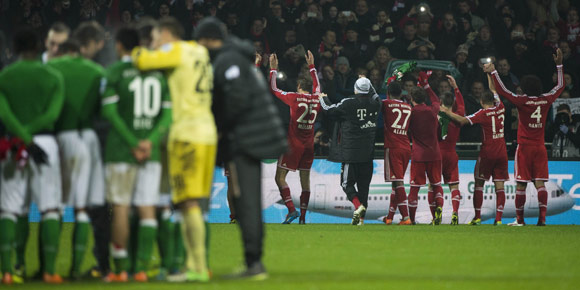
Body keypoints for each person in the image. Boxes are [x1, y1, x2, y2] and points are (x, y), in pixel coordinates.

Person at [195, 17, 286, 279]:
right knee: (244, 198)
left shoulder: (228, 60)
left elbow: (234, 100)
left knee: (246, 199)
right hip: (253, 134)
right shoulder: (235, 56)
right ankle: (253, 261)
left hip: (248, 136)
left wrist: (220, 128)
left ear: (208, 39)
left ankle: (254, 263)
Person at [132, 16, 216, 282]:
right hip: (207, 133)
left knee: (186, 201)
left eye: (157, 38)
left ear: (166, 34)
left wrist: (137, 48)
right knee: (196, 203)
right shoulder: (200, 51)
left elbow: (142, 60)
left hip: (186, 135)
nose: (155, 44)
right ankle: (195, 265)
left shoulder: (175, 50)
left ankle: (196, 268)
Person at [101, 27, 172, 282]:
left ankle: (120, 269)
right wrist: (149, 142)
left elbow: (109, 113)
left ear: (119, 45)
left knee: (120, 207)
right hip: (150, 153)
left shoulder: (115, 72)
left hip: (122, 150)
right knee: (146, 208)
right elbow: (167, 115)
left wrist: (132, 142)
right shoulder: (157, 74)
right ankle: (141, 269)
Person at [0, 27, 65, 284]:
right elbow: (52, 115)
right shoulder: (52, 76)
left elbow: (4, 114)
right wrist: (33, 140)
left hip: (12, 145)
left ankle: (8, 271)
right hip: (45, 145)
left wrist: (22, 137)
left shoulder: (5, 76)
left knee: (9, 209)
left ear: (14, 49)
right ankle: (50, 271)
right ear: (38, 47)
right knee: (49, 208)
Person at [46, 38, 104, 279]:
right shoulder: (97, 71)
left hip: (61, 137)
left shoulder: (53, 69)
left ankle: (46, 268)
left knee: (55, 206)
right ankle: (75, 268)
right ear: (80, 49)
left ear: (62, 51)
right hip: (89, 138)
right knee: (82, 208)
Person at [487, 48, 564, 226]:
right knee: (540, 184)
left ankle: (520, 220)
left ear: (525, 88)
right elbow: (560, 87)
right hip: (540, 147)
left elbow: (503, 91)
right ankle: (542, 219)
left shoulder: (522, 101)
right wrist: (559, 65)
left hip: (524, 148)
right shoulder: (546, 100)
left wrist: (493, 72)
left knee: (521, 185)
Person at [441, 75, 508, 226]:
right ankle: (498, 219)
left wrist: (446, 112)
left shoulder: (482, 114)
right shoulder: (501, 107)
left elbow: (463, 120)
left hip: (488, 152)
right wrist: (489, 75)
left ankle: (477, 217)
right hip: (502, 152)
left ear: (481, 102)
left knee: (479, 183)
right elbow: (493, 90)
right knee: (500, 185)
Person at [71, 20, 110, 278]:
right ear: (95, 43)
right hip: (98, 141)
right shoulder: (100, 72)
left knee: (78, 206)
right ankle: (106, 264)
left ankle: (69, 268)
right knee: (100, 206)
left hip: (66, 140)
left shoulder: (58, 68)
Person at [319, 77, 381, 225]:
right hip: (368, 154)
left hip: (350, 153)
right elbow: (375, 94)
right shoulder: (376, 104)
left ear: (355, 89)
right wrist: (369, 83)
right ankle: (361, 219)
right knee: (364, 188)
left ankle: (357, 206)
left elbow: (329, 110)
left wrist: (322, 98)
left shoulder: (348, 103)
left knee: (346, 184)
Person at [269, 51, 320, 224]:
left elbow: (274, 89)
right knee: (305, 180)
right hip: (309, 145)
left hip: (293, 143)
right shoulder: (316, 99)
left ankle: (291, 210)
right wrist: (312, 66)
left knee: (279, 177)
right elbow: (318, 87)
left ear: (299, 86)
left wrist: (273, 70)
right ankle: (303, 218)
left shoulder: (294, 97)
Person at [407, 72, 443, 225]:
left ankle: (413, 220)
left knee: (414, 188)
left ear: (412, 99)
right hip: (435, 153)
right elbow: (436, 100)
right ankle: (437, 216)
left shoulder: (410, 113)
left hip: (419, 155)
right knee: (436, 185)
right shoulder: (432, 110)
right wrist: (427, 86)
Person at [381, 81, 412, 225]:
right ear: (401, 94)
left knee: (398, 181)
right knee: (395, 183)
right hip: (406, 147)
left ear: (388, 93)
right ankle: (390, 217)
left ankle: (406, 217)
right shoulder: (408, 107)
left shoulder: (386, 103)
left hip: (393, 147)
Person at [437, 75, 464, 225]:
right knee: (454, 186)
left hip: (438, 154)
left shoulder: (436, 116)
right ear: (452, 103)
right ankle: (455, 212)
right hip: (452, 153)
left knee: (435, 184)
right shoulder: (458, 115)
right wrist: (456, 88)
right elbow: (462, 105)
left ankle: (437, 212)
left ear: (441, 102)